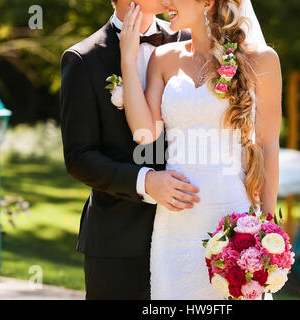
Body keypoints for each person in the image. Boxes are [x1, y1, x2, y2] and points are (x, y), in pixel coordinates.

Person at [119, 0, 282, 299]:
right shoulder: (163, 58)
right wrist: (128, 62)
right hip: (176, 225)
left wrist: (268, 227)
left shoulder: (263, 60)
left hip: (234, 219)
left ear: (207, 2)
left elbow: (268, 145)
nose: (166, 2)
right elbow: (144, 134)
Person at [59, 0, 196, 300]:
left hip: (190, 233)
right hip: (118, 243)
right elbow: (79, 157)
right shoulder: (83, 59)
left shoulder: (191, 42)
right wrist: (145, 181)